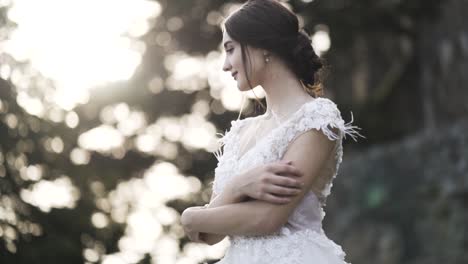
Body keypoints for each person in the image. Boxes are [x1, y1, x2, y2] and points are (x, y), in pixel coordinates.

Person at [181, 0, 363, 263]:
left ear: (262, 45)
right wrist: (237, 186)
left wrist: (191, 216)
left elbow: (268, 218)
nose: (225, 64)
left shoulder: (317, 118)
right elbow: (209, 235)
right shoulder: (240, 132)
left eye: (230, 49)